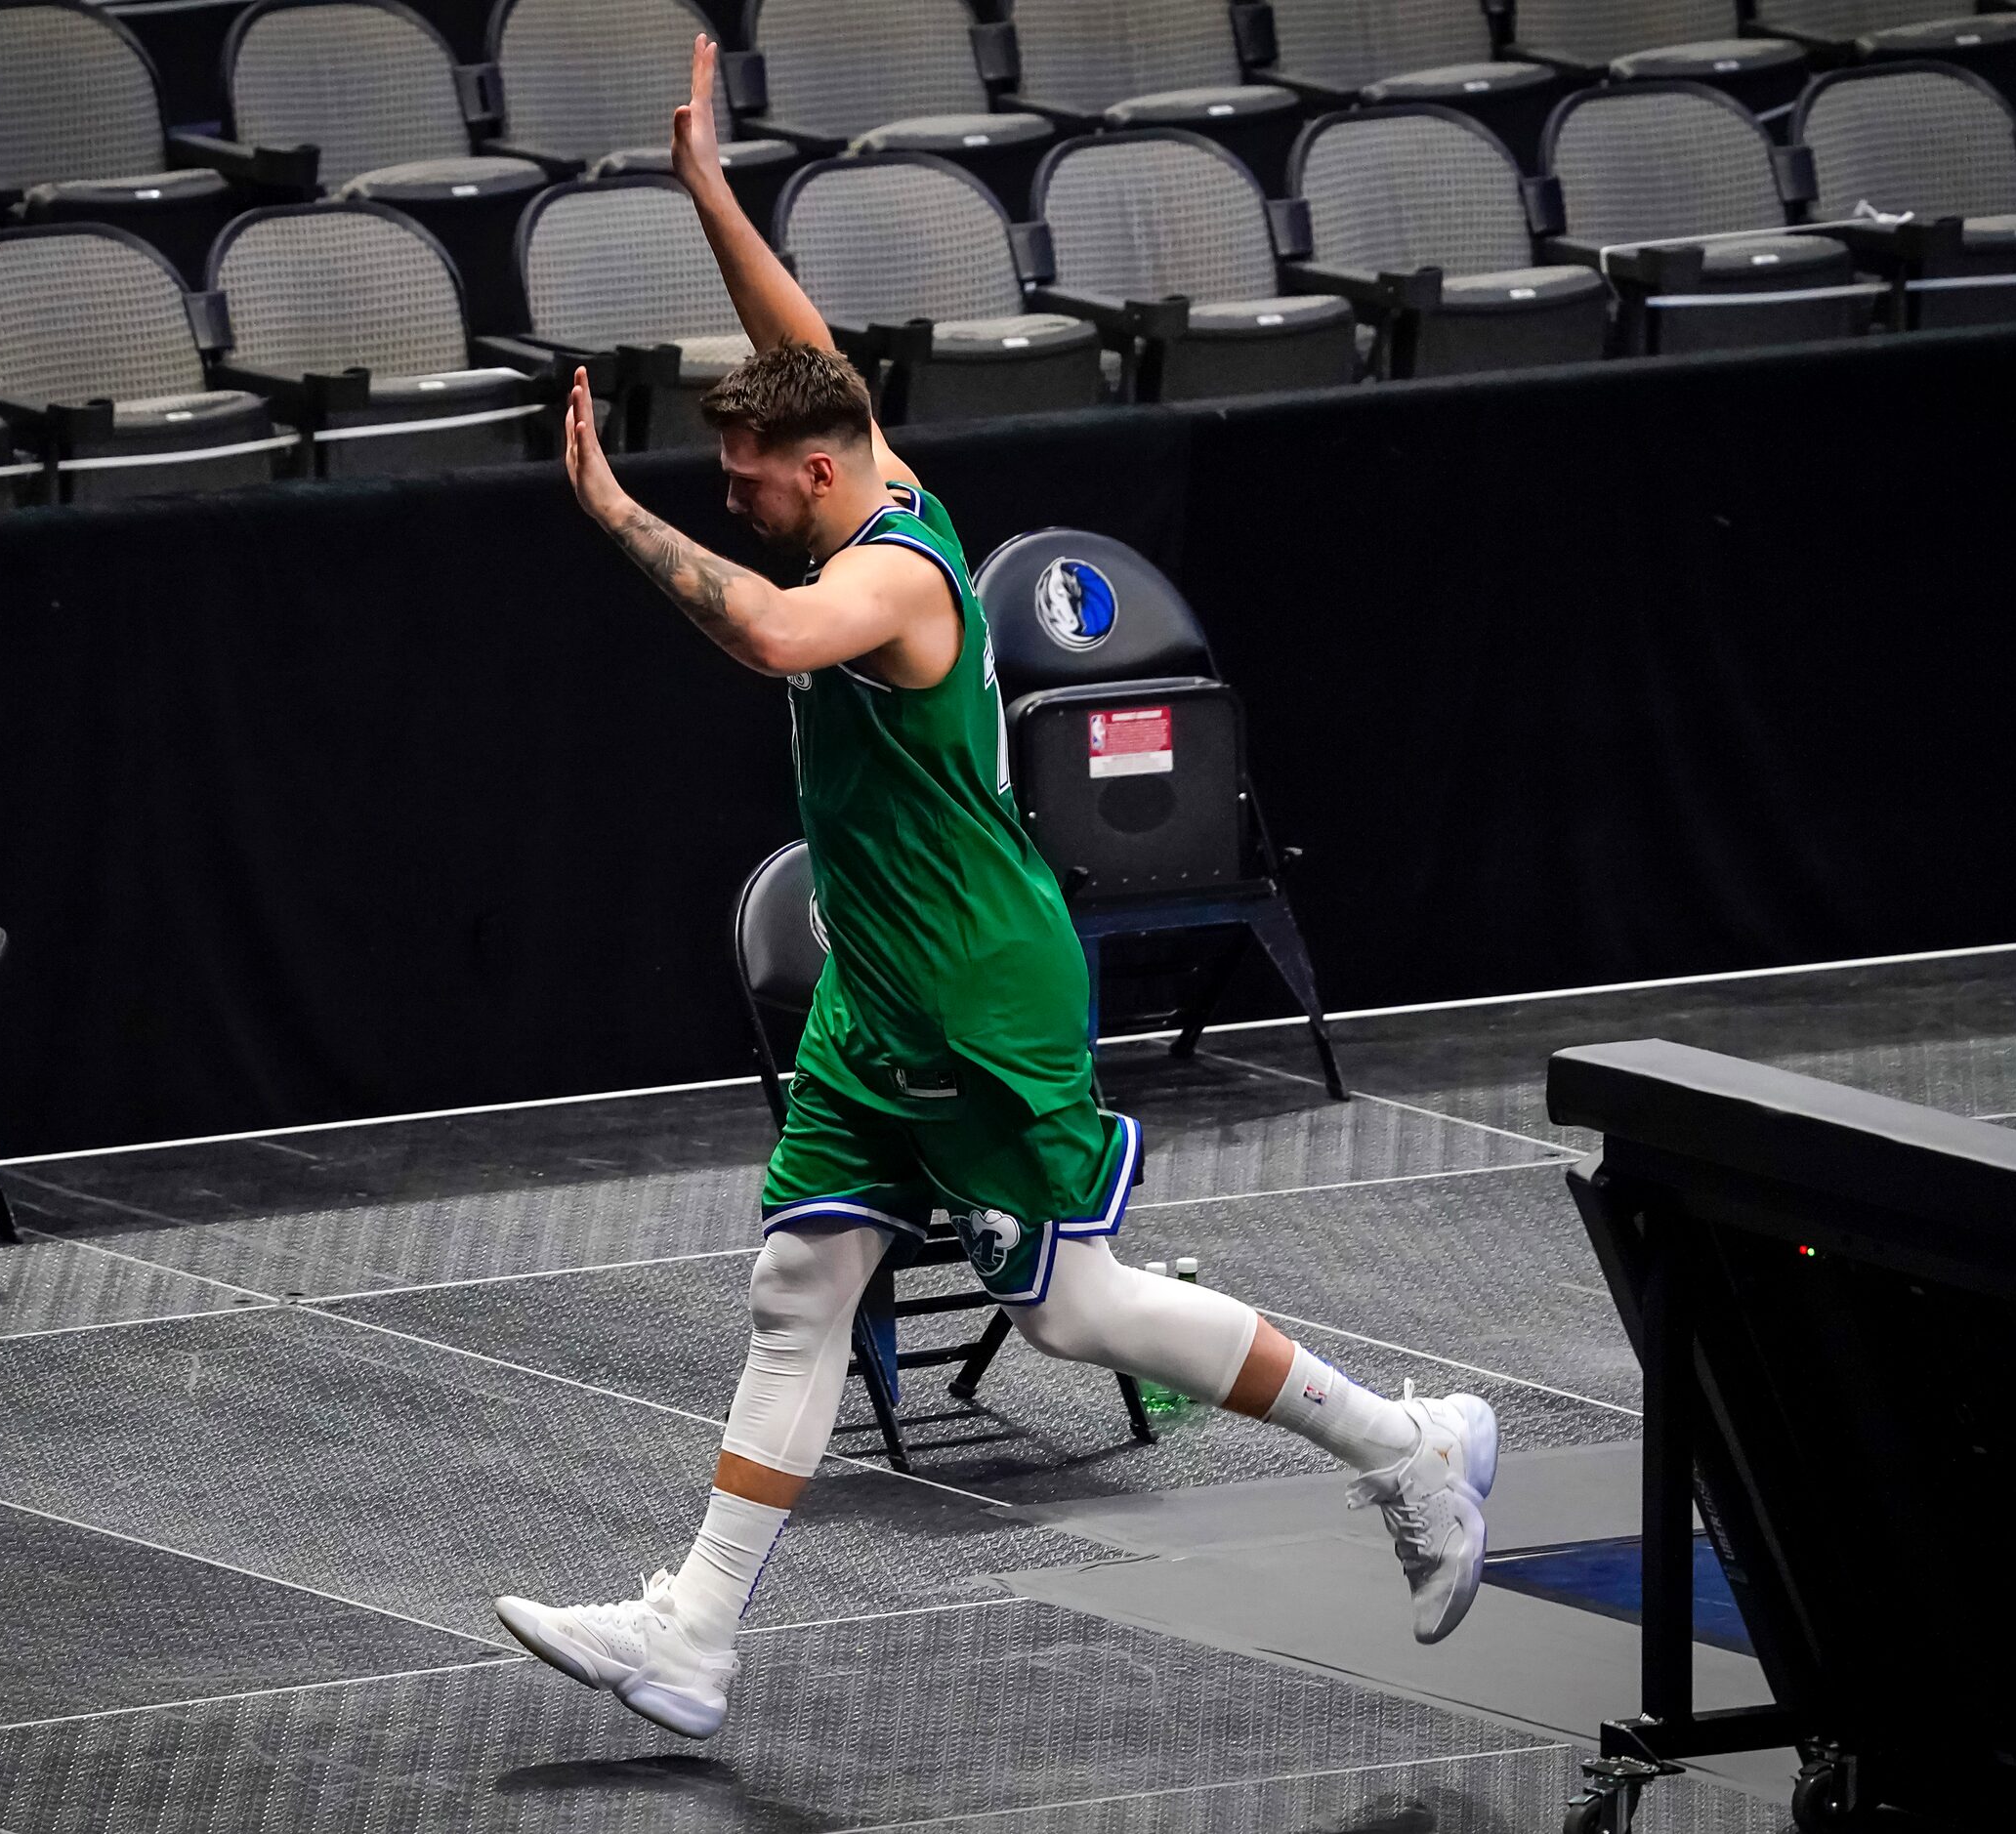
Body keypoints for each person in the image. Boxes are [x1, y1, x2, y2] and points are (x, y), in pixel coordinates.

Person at [493, 39, 1497, 1741]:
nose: (721, 492)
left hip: (977, 992)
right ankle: (692, 1631)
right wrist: (707, 192)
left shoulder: (882, 578)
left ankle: (1405, 1449)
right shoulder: (852, 461)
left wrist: (605, 512)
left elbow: (756, 629)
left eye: (740, 480)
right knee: (801, 1285)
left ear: (816, 477)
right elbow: (795, 350)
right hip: (879, 994)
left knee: (1074, 1308)